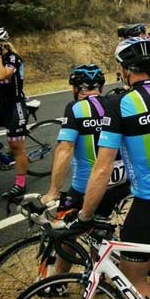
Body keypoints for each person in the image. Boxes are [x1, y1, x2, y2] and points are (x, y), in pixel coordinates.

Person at [75, 38, 150, 299]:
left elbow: (103, 166)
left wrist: (85, 214)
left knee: (133, 278)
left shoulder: (119, 104)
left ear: (126, 70)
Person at [30, 65, 129, 274]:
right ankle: (99, 273)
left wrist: (53, 191)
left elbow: (65, 150)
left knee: (66, 231)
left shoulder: (75, 108)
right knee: (100, 229)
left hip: (87, 186)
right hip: (120, 183)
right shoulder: (115, 104)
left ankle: (60, 281)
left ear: (76, 89)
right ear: (101, 87)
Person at [0, 28, 30, 199]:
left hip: (16, 107)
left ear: (0, 44)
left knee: (17, 148)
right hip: (4, 107)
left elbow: (1, 75)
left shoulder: (14, 58)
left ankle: (21, 184)